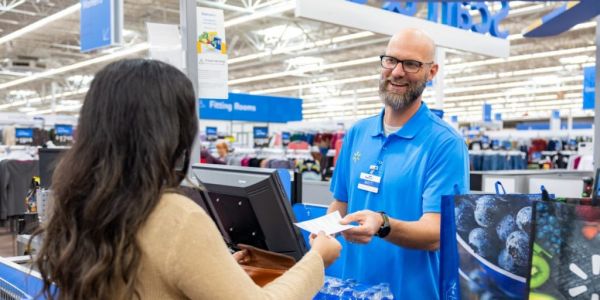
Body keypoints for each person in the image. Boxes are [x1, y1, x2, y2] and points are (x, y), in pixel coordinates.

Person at [33, 59, 341, 300]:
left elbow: (148, 278)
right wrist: (316, 260)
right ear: (172, 128)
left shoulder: (79, 200)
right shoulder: (177, 217)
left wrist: (216, 271)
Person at [328, 28, 469, 299]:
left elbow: (436, 233)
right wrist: (325, 231)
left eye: (412, 64)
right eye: (391, 60)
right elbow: (341, 203)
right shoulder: (358, 133)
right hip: (353, 289)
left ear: (432, 72)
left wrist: (382, 224)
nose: (397, 72)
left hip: (411, 292)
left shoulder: (445, 143)